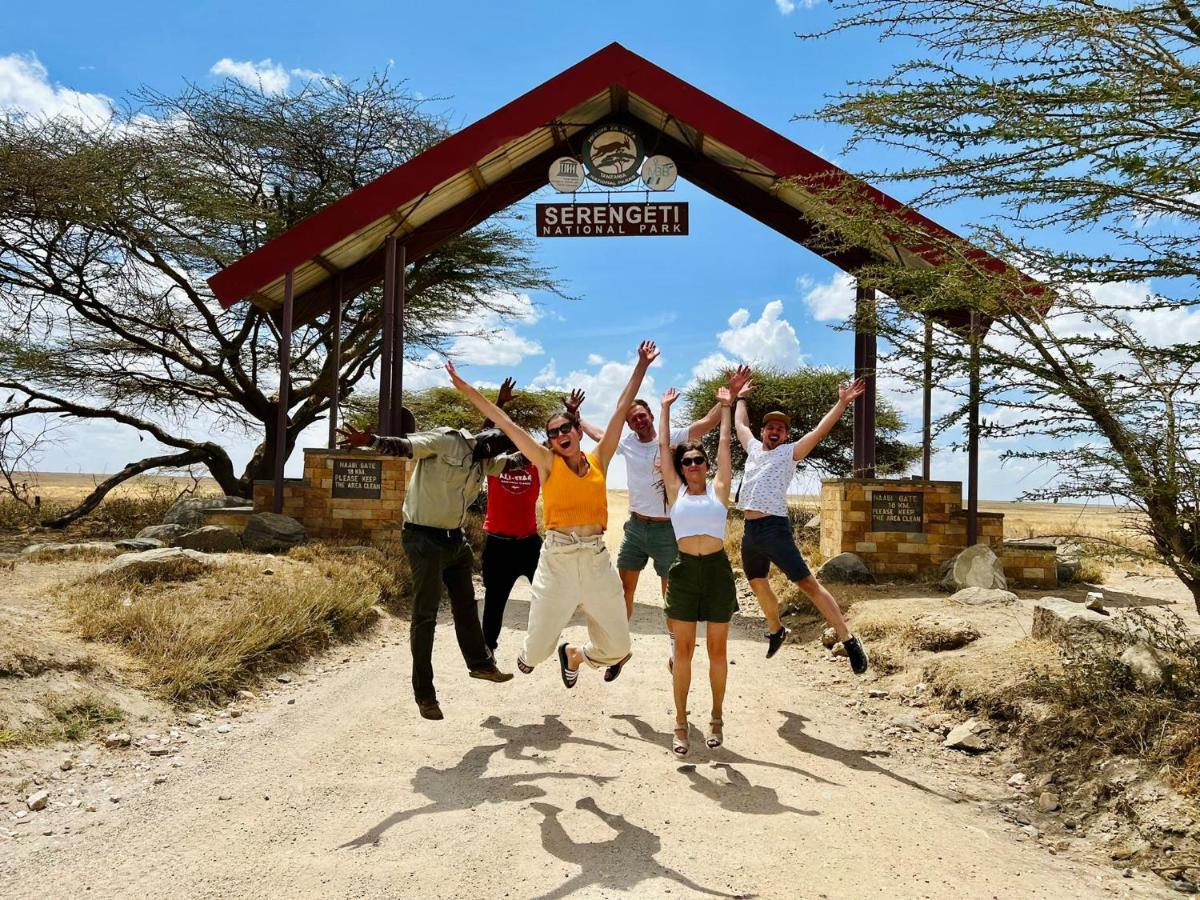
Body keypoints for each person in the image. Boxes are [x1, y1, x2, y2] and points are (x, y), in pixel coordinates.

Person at [447, 342, 659, 687]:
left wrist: (641, 366)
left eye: (565, 429)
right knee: (536, 652)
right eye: (553, 433)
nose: (560, 435)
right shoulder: (546, 464)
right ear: (549, 442)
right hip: (558, 559)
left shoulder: (599, 459)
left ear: (577, 431)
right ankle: (531, 655)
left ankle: (575, 654)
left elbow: (621, 409)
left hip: (595, 558)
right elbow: (505, 422)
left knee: (619, 645)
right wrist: (466, 389)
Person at [577, 364, 750, 680]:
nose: (638, 421)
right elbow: (600, 435)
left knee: (670, 595)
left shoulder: (675, 439)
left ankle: (675, 653)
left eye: (641, 415)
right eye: (632, 419)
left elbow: (709, 422)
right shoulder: (627, 442)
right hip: (636, 527)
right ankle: (619, 650)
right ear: (629, 424)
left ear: (650, 416)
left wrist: (732, 394)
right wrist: (578, 419)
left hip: (666, 529)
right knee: (623, 590)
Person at [336, 420, 517, 721]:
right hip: (423, 538)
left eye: (497, 453)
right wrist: (372, 440)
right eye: (490, 448)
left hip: (455, 540)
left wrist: (556, 441)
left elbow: (515, 462)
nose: (490, 457)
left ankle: (480, 664)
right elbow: (407, 447)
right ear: (482, 439)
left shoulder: (485, 461)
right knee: (425, 615)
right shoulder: (446, 441)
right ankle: (425, 694)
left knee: (466, 605)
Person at [733, 378, 871, 673]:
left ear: (785, 435)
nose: (775, 431)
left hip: (774, 528)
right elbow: (740, 426)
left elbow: (819, 431)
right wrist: (740, 398)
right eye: (770, 427)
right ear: (763, 431)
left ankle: (848, 640)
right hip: (751, 531)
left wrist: (842, 403)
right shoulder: (754, 450)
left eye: (780, 429)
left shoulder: (790, 453)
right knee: (757, 583)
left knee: (807, 584)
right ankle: (776, 629)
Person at [657, 379, 738, 756]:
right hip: (685, 571)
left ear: (706, 466)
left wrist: (727, 407)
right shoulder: (675, 492)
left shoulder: (720, 487)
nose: (692, 465)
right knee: (684, 651)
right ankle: (679, 722)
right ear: (680, 467)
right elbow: (662, 446)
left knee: (717, 652)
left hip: (718, 572)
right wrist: (665, 409)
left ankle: (717, 718)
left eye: (698, 460)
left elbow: (725, 446)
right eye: (686, 461)